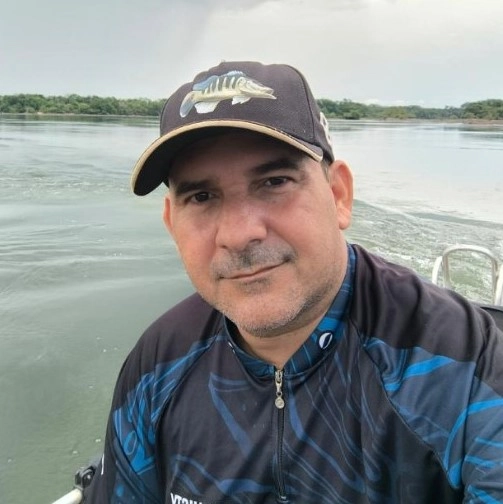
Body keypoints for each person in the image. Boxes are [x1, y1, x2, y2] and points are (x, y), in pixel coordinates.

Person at [85, 61, 503, 503]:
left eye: (274, 181)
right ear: (172, 223)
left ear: (339, 195)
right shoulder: (159, 364)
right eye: (202, 197)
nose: (238, 234)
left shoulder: (458, 364)